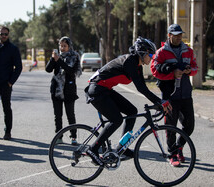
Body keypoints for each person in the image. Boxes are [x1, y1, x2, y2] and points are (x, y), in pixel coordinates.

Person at [84, 37, 171, 166]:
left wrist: (159, 102)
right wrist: (160, 102)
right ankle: (93, 149)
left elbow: (144, 88)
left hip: (105, 89)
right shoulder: (130, 61)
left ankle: (121, 147)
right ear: (142, 52)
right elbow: (140, 88)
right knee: (116, 120)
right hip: (96, 89)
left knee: (132, 111)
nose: (152, 58)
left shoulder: (137, 66)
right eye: (150, 54)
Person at [151, 24, 198, 167]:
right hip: (170, 96)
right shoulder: (161, 52)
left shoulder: (188, 51)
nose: (178, 37)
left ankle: (179, 147)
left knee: (189, 126)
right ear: (169, 35)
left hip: (186, 95)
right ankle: (172, 155)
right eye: (175, 35)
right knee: (170, 126)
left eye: (180, 35)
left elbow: (195, 67)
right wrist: (172, 74)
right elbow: (154, 71)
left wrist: (189, 71)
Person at [46, 36, 82, 145]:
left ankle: (73, 137)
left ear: (69, 46)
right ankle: (59, 136)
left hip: (69, 90)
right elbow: (48, 69)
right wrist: (53, 59)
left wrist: (59, 61)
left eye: (64, 46)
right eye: (61, 46)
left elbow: (71, 71)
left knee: (70, 114)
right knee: (58, 115)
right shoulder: (57, 56)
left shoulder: (74, 56)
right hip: (56, 89)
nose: (62, 48)